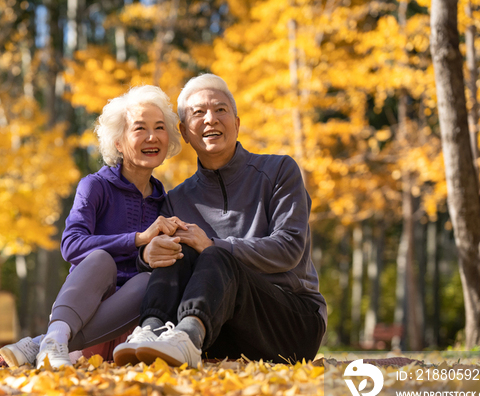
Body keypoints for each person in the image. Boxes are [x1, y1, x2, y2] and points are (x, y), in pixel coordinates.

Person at [113, 74, 327, 368]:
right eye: (198, 113)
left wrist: (215, 246)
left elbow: (289, 249)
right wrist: (146, 256)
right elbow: (157, 263)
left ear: (237, 124)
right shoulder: (176, 199)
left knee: (216, 254)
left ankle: (187, 337)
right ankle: (150, 330)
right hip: (218, 330)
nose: (210, 119)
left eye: (220, 110)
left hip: (291, 324)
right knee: (176, 247)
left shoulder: (279, 171)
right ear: (185, 131)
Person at [0, 85, 185, 369]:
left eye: (160, 128)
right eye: (140, 128)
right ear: (118, 143)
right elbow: (71, 245)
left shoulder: (167, 202)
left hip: (127, 327)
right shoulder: (95, 186)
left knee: (147, 282)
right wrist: (138, 239)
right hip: (82, 311)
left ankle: (43, 343)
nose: (152, 137)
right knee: (100, 259)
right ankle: (55, 337)